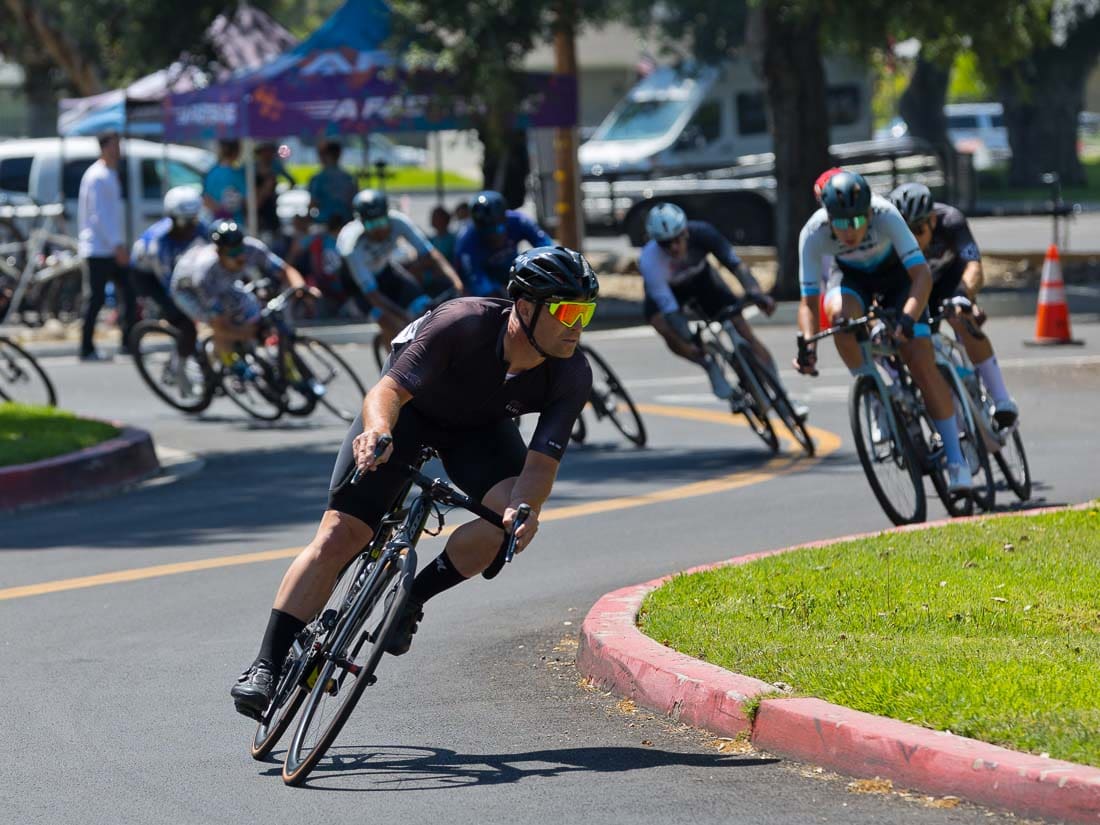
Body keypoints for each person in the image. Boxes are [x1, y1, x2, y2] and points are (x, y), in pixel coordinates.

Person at [229, 246, 600, 719]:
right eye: (568, 311)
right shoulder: (462, 323)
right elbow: (387, 391)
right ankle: (266, 664)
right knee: (340, 534)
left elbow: (541, 464)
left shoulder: (571, 373)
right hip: (406, 416)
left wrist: (524, 509)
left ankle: (411, 599)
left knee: (504, 526)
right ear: (525, 308)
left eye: (587, 312)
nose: (578, 326)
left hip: (480, 433)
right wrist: (377, 432)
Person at [794, 170, 973, 492]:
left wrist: (907, 318)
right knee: (840, 321)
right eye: (842, 223)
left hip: (899, 278)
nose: (851, 231)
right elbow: (809, 303)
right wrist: (807, 345)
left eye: (858, 221)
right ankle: (872, 387)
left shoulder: (886, 214)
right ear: (828, 217)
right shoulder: (813, 232)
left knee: (921, 363)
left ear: (869, 212)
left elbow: (922, 277)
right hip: (852, 280)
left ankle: (956, 458)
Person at [638, 202, 804, 415]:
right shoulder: (650, 261)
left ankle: (783, 399)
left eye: (677, 239)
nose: (673, 248)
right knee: (663, 325)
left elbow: (735, 265)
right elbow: (670, 311)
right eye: (665, 244)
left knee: (745, 333)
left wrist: (756, 293)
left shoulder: (703, 233)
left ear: (686, 231)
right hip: (670, 294)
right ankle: (708, 364)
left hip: (702, 281)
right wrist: (689, 340)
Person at [889, 182, 1018, 428]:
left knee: (962, 319)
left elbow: (974, 266)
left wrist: (963, 296)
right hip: (918, 288)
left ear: (932, 221)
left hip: (951, 281)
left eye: (918, 229)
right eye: (905, 232)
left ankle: (1002, 398)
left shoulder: (951, 220)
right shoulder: (891, 235)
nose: (912, 239)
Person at [169, 220, 317, 379]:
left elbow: (285, 270)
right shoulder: (206, 274)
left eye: (240, 249)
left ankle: (248, 350)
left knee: (252, 308)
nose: (240, 257)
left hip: (224, 284)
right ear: (219, 253)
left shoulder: (251, 248)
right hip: (188, 290)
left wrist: (302, 288)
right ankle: (228, 361)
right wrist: (251, 333)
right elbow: (219, 324)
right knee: (218, 324)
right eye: (232, 253)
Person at [336, 189, 464, 348]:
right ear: (361, 223)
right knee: (392, 324)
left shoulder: (398, 221)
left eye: (381, 222)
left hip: (385, 270)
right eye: (371, 224)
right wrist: (403, 318)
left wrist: (456, 281)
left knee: (425, 310)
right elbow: (373, 295)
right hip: (358, 287)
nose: (378, 230)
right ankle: (393, 366)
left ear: (388, 215)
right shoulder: (352, 246)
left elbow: (431, 254)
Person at [129, 187, 209, 365]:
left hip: (177, 271)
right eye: (183, 222)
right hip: (148, 277)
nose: (189, 228)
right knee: (185, 323)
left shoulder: (201, 229)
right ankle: (178, 367)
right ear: (171, 218)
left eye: (193, 221)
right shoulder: (159, 243)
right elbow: (171, 286)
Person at [77, 131, 136, 362]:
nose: (118, 150)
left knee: (129, 294)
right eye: (114, 146)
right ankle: (86, 347)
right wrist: (117, 246)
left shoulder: (110, 174)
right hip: (99, 249)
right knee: (97, 299)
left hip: (110, 247)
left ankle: (128, 342)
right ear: (104, 148)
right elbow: (99, 216)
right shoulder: (98, 176)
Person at [455, 190, 553, 296]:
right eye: (486, 233)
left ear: (505, 219)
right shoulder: (466, 240)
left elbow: (546, 247)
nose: (494, 237)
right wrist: (498, 292)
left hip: (512, 273)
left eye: (498, 230)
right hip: (487, 284)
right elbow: (475, 280)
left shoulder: (518, 221)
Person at [307, 140, 357, 225]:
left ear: (326, 156)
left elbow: (313, 204)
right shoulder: (349, 178)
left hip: (325, 223)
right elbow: (354, 204)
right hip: (346, 222)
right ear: (339, 155)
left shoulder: (318, 179)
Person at [254, 142, 296, 243]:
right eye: (265, 152)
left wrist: (280, 192)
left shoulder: (275, 166)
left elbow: (291, 181)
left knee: (274, 233)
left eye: (270, 152)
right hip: (255, 206)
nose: (268, 155)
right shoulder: (253, 167)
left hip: (270, 206)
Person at [202, 139, 247, 224]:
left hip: (214, 225)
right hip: (236, 225)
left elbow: (206, 199)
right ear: (237, 151)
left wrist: (219, 211)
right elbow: (248, 201)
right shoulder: (237, 174)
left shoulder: (211, 172)